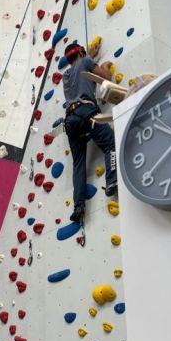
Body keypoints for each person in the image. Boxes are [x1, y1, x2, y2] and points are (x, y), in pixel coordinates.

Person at [63, 40, 118, 223]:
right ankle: (112, 181)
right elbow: (106, 78)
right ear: (81, 53)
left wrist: (90, 57)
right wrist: (105, 66)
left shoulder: (66, 76)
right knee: (110, 143)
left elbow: (80, 73)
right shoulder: (86, 62)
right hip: (86, 112)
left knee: (78, 163)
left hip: (70, 120)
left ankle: (78, 206)